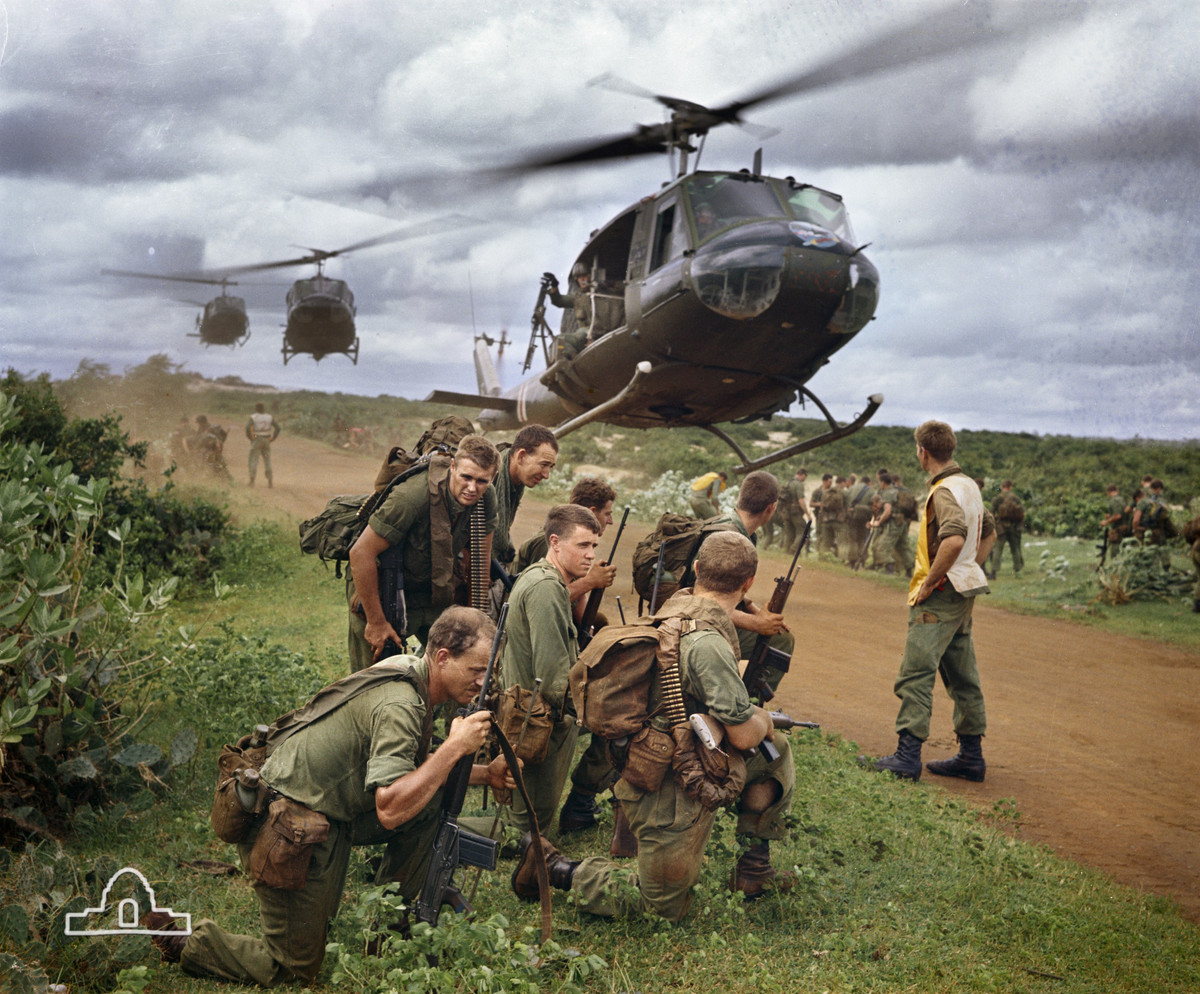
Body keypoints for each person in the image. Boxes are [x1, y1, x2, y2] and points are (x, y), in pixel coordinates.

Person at [150, 607, 518, 987]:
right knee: (292, 968)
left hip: (333, 808)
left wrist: (484, 774)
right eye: (476, 671)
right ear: (443, 657)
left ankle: (391, 923)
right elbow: (390, 808)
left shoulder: (412, 671)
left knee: (428, 805)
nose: (482, 684)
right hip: (288, 826)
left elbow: (413, 768)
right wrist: (454, 748)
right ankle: (182, 942)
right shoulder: (401, 704)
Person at [510, 531, 795, 922]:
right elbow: (744, 734)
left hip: (655, 752)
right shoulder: (706, 642)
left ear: (696, 570)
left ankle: (754, 870)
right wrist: (760, 716)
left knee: (773, 754)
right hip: (668, 782)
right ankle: (555, 868)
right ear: (748, 583)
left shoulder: (676, 606)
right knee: (660, 907)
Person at [862, 421, 996, 782]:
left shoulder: (944, 491)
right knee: (961, 672)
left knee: (916, 672)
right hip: (963, 591)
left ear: (923, 451)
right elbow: (990, 531)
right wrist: (970, 568)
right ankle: (971, 755)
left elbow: (953, 539)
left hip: (941, 593)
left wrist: (933, 581)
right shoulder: (968, 485)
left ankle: (907, 757)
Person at [346, 435, 499, 670]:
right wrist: (376, 623)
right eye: (466, 477)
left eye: (481, 481)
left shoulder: (485, 499)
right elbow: (361, 553)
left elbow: (478, 561)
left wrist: (474, 622)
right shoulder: (412, 497)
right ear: (452, 466)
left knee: (461, 663)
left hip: (433, 590)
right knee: (375, 677)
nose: (472, 488)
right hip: (382, 590)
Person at [494, 504, 600, 837]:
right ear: (555, 542)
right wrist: (605, 709)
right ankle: (423, 827)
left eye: (594, 546)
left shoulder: (544, 577)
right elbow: (557, 685)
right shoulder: (546, 589)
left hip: (534, 720)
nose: (590, 555)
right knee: (523, 835)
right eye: (582, 545)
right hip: (536, 728)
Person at [491, 424, 559, 572]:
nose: (546, 475)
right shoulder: (489, 476)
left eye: (550, 467)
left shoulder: (516, 481)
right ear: (521, 456)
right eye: (543, 465)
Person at [988, 479, 1025, 577]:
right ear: (1010, 487)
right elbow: (1023, 513)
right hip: (1014, 527)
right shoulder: (1015, 498)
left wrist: (994, 523)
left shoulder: (998, 498)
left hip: (1001, 527)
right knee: (1015, 548)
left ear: (1002, 487)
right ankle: (1017, 571)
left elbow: (991, 513)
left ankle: (994, 572)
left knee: (998, 549)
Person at [245, 401, 281, 488]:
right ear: (264, 408)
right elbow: (278, 427)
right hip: (267, 440)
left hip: (257, 439)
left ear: (256, 408)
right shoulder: (269, 417)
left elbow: (247, 428)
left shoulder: (254, 417)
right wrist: (273, 438)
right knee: (267, 461)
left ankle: (252, 481)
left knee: (253, 460)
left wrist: (251, 438)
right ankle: (270, 481)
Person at [779, 468, 810, 554]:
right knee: (803, 531)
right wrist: (807, 514)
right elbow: (801, 500)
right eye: (805, 477)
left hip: (786, 511)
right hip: (795, 512)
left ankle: (786, 551)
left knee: (789, 533)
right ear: (802, 475)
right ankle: (793, 551)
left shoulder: (788, 483)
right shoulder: (798, 484)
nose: (804, 479)